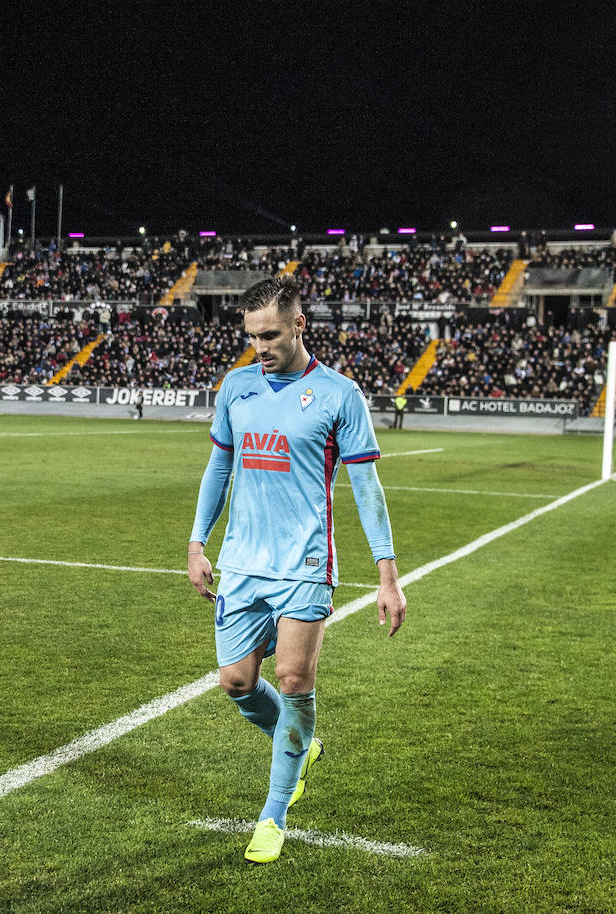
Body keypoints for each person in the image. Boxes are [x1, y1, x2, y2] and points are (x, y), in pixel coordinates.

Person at [187, 275, 406, 865]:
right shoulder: (236, 387)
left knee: (291, 678)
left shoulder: (339, 395)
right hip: (242, 563)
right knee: (235, 682)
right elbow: (217, 471)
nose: (260, 346)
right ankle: (302, 746)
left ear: (299, 324)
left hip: (306, 564)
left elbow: (368, 488)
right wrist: (196, 543)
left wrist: (387, 576)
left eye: (271, 334)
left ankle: (272, 816)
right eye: (252, 336)